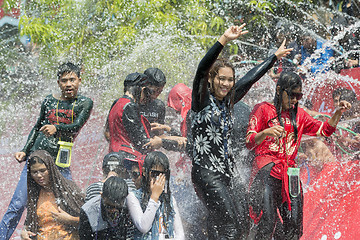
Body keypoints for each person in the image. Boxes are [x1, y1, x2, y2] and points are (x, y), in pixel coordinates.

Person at [190, 24, 293, 239]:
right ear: (211, 79)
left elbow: (250, 79)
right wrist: (224, 40)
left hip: (226, 174)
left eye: (230, 80)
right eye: (221, 78)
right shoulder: (201, 101)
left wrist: (273, 57)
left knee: (237, 225)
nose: (226, 84)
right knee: (230, 228)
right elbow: (201, 69)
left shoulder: (228, 102)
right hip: (206, 173)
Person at [245, 72, 351, 239]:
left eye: (299, 95)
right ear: (279, 90)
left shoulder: (300, 115)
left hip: (291, 174)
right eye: (292, 95)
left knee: (294, 226)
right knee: (267, 224)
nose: (295, 99)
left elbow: (325, 130)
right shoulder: (262, 109)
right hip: (266, 171)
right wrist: (265, 132)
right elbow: (250, 141)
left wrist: (337, 113)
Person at [0, 62, 93, 240]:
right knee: (18, 204)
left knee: (72, 202)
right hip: (37, 159)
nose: (68, 84)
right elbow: (37, 127)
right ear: (58, 82)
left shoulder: (84, 103)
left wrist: (56, 128)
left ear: (79, 80)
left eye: (72, 80)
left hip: (60, 161)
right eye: (64, 80)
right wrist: (25, 150)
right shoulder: (49, 101)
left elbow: (76, 126)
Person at [107, 72, 181, 160]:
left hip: (114, 155)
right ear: (142, 90)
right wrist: (175, 141)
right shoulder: (130, 106)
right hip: (129, 158)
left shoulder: (118, 103)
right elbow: (143, 143)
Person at [20, 150, 85, 240]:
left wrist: (70, 219)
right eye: (35, 172)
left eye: (42, 170)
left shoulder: (68, 189)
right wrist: (24, 233)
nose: (39, 175)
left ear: (50, 169)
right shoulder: (34, 194)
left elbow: (89, 220)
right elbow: (29, 224)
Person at [127, 151, 185, 240]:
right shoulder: (133, 197)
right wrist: (154, 197)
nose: (158, 178)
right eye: (154, 174)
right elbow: (143, 227)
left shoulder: (170, 199)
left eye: (162, 175)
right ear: (145, 172)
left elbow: (180, 234)